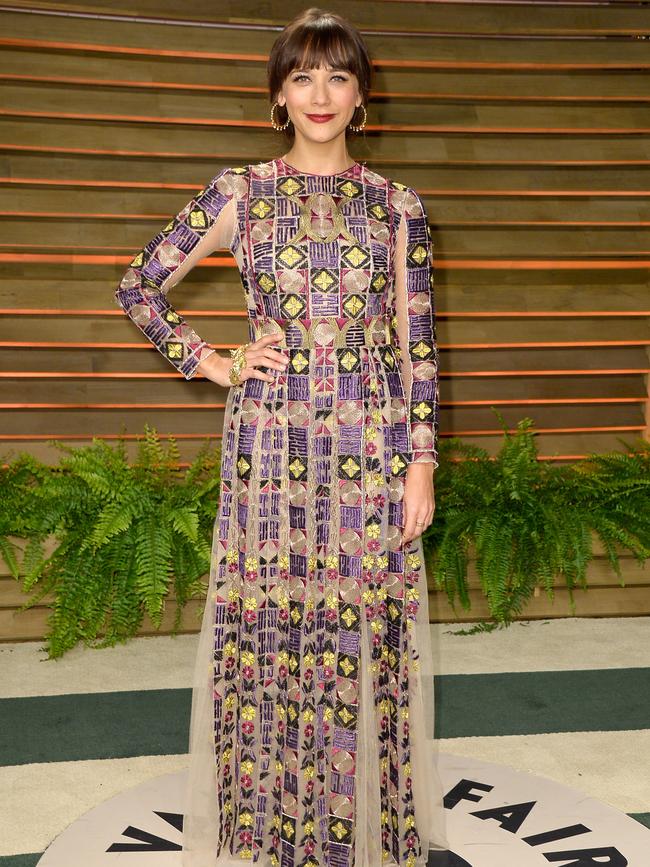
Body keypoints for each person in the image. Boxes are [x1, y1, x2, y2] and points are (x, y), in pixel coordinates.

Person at [114, 7, 448, 865]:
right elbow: (139, 283)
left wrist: (422, 464)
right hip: (269, 444)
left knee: (362, 623)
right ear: (277, 94)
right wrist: (212, 361)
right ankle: (268, 828)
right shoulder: (240, 192)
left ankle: (355, 833)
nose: (321, 93)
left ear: (364, 93)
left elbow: (418, 344)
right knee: (269, 624)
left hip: (372, 444)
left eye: (338, 74)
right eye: (302, 75)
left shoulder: (397, 205)